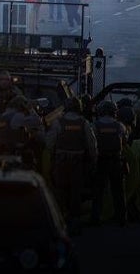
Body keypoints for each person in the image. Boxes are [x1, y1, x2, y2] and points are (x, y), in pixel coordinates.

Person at [47, 97, 97, 233]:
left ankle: (59, 221)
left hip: (61, 162)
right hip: (77, 163)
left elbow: (50, 144)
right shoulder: (84, 123)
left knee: (60, 191)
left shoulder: (58, 122)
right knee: (76, 192)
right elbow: (92, 145)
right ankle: (74, 222)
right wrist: (93, 161)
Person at [90, 100, 129, 227]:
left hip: (101, 160)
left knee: (98, 191)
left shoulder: (95, 125)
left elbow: (92, 145)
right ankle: (121, 217)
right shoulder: (120, 126)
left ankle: (95, 217)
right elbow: (125, 141)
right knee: (118, 191)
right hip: (116, 160)